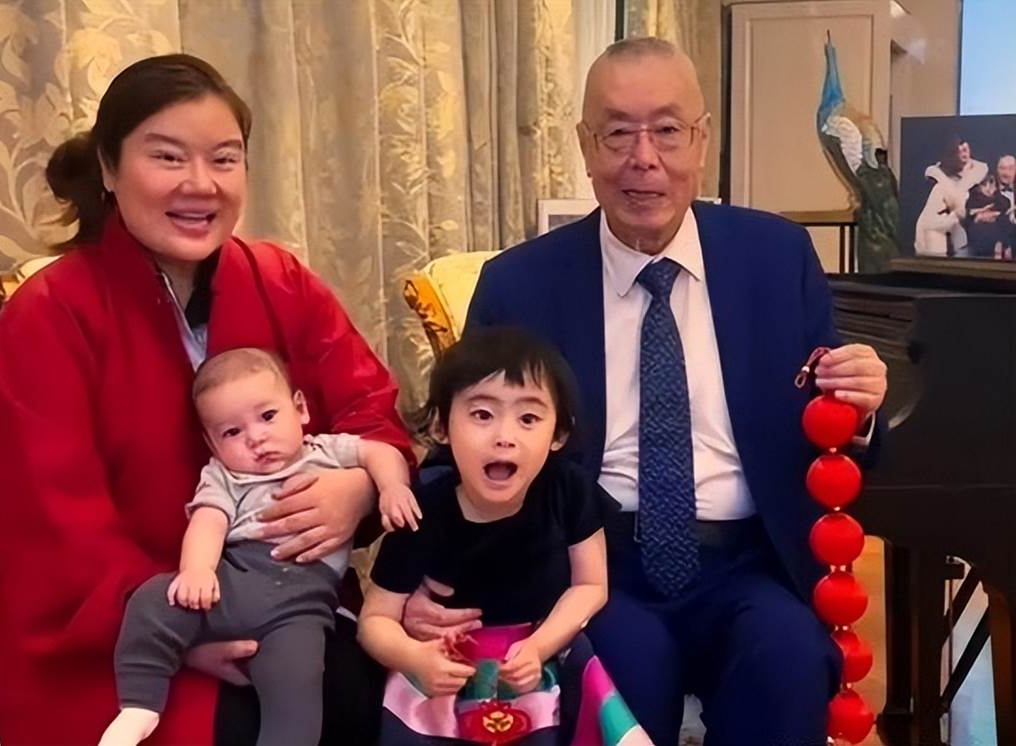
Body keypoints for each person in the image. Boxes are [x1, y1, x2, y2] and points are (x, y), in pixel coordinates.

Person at [402, 39, 887, 746]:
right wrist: (421, 574)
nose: (644, 158)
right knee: (623, 669)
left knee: (788, 660)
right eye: (617, 133)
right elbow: (460, 445)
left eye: (666, 129)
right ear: (585, 145)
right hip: (589, 564)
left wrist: (861, 409)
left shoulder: (777, 258)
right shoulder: (520, 284)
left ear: (702, 139)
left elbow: (832, 425)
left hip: (747, 561)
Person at [0, 54, 413, 746]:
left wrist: (359, 487)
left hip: (281, 604)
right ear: (108, 168)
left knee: (365, 705)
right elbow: (51, 528)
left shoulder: (280, 280)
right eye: (168, 157)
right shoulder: (46, 317)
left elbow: (370, 408)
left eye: (224, 159)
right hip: (109, 634)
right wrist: (179, 628)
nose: (200, 184)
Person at [101, 348, 418, 746]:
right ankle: (139, 706)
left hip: (300, 606)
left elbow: (380, 451)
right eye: (232, 432)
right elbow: (208, 520)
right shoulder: (225, 476)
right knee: (151, 602)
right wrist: (197, 570)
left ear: (300, 409)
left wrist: (392, 487)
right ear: (211, 443)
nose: (256, 438)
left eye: (268, 416)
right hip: (231, 584)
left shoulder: (326, 451)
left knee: (300, 685)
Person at [360, 327, 650, 745]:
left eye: (528, 418)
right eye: (482, 415)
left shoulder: (568, 489)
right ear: (442, 427)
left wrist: (540, 646)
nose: (504, 437)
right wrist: (414, 658)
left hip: (542, 663)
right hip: (444, 677)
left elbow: (591, 585)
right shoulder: (424, 511)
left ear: (558, 434)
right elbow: (375, 621)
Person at [915, 135, 988, 256]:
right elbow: (954, 201)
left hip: (968, 234)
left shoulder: (979, 170)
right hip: (937, 229)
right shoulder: (936, 174)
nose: (963, 153)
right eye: (958, 151)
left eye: (965, 149)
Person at [963, 174, 1011, 259]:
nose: (989, 188)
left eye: (992, 185)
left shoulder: (1002, 200)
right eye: (984, 185)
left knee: (1005, 222)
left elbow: (1005, 213)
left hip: (998, 229)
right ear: (979, 187)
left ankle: (1002, 246)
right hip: (979, 235)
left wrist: (994, 215)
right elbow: (969, 219)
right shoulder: (972, 200)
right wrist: (979, 216)